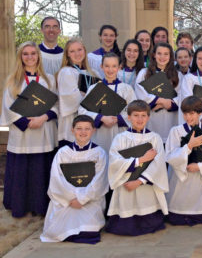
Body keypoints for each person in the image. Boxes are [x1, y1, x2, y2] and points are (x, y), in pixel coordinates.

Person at [0, 42, 58, 217]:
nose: (30, 57)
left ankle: (40, 206)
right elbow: (7, 107)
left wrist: (43, 118)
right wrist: (25, 122)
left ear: (38, 56)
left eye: (33, 53)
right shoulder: (13, 80)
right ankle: (20, 206)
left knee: (40, 172)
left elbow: (56, 104)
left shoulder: (49, 79)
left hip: (44, 132)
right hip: (22, 135)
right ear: (20, 57)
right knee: (22, 173)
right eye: (26, 54)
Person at [41, 115, 108, 244]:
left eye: (87, 129)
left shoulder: (99, 153)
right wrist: (72, 198)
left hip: (90, 199)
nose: (83, 132)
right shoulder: (63, 152)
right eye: (79, 128)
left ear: (93, 130)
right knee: (56, 231)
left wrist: (82, 199)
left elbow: (100, 180)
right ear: (72, 130)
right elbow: (57, 179)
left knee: (88, 231)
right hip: (66, 199)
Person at [105, 100, 168, 236]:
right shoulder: (120, 138)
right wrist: (141, 159)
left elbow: (159, 164)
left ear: (148, 117)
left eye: (143, 115)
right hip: (125, 183)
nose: (140, 119)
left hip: (145, 185)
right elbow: (115, 162)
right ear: (129, 117)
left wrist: (139, 181)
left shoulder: (155, 138)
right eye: (136, 115)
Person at [165, 96, 202, 225]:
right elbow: (169, 157)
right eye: (185, 113)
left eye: (192, 113)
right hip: (181, 181)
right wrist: (188, 146)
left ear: (200, 113)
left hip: (201, 181)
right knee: (176, 216)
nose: (188, 117)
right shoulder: (175, 131)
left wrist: (200, 167)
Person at [79, 53, 136, 152]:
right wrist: (101, 118)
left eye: (114, 66)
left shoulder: (127, 89)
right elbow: (82, 111)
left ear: (119, 67)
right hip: (100, 134)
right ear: (101, 67)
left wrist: (118, 119)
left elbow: (134, 111)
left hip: (120, 132)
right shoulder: (94, 88)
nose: (110, 70)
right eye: (107, 66)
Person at [134, 43, 180, 143]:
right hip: (151, 119)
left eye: (166, 54)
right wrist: (161, 101)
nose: (162, 57)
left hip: (171, 120)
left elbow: (182, 96)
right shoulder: (144, 73)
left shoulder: (177, 74)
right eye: (159, 53)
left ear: (170, 56)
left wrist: (168, 104)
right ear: (154, 55)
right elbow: (140, 93)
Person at [57, 38, 98, 148]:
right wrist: (89, 97)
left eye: (79, 49)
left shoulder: (93, 72)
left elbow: (100, 96)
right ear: (67, 54)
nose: (77, 54)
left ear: (84, 51)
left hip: (90, 122)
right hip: (71, 123)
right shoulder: (66, 72)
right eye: (72, 51)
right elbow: (71, 99)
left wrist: (83, 94)